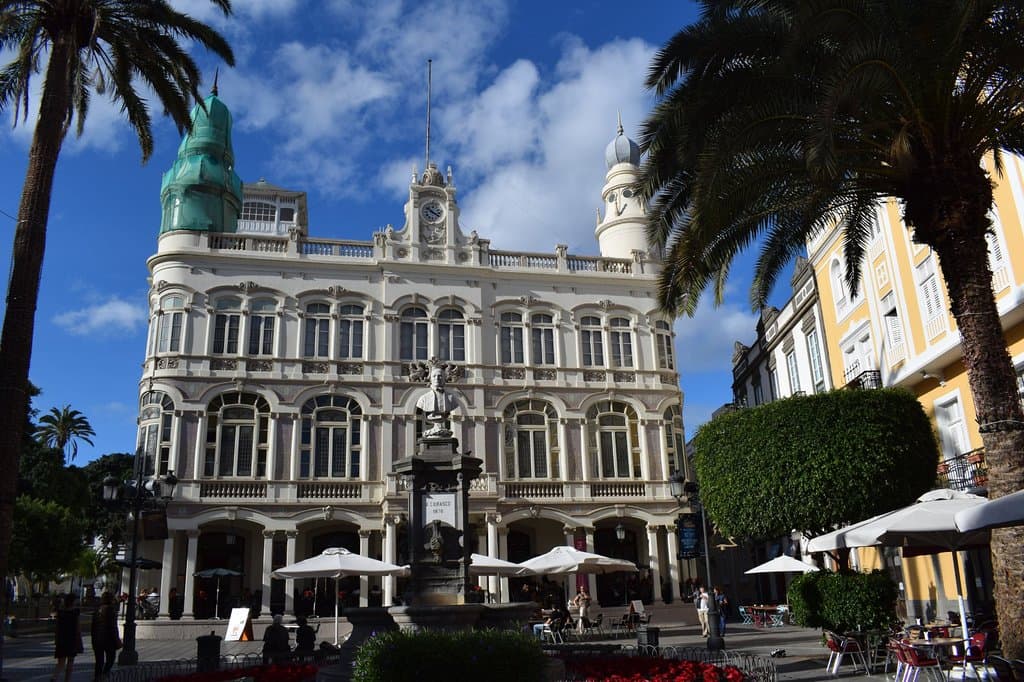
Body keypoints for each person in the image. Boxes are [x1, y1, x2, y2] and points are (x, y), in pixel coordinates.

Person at [53, 593, 84, 682]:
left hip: (62, 638)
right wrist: (79, 638)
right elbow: (78, 627)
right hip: (72, 638)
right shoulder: (75, 612)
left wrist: (56, 638)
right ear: (73, 602)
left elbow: (57, 627)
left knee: (60, 662)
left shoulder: (61, 612)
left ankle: (54, 677)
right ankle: (67, 680)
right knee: (70, 661)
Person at [90, 592, 119, 681]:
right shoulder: (110, 610)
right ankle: (104, 675)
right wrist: (116, 639)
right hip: (108, 638)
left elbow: (93, 626)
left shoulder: (97, 610)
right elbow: (112, 626)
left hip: (97, 638)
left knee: (99, 661)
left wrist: (93, 638)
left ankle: (97, 677)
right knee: (110, 659)